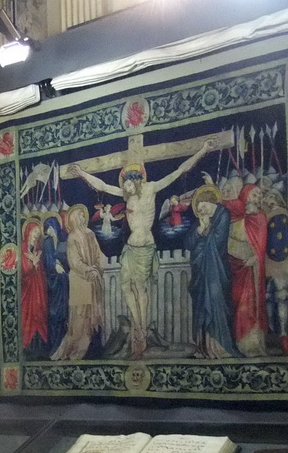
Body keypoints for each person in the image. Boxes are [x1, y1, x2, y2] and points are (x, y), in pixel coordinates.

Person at [65, 139, 214, 357]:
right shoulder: (127, 195)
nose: (125, 190)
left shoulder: (151, 189)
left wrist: (202, 150)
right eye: (123, 187)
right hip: (130, 248)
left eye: (127, 185)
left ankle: (142, 329)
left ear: (136, 181)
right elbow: (103, 186)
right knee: (126, 287)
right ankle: (137, 326)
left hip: (145, 248)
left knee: (141, 289)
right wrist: (81, 174)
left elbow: (178, 171)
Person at [182, 187, 241, 359]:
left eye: (204, 207)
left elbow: (217, 241)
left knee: (216, 301)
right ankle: (204, 348)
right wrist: (200, 229)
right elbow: (188, 243)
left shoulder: (223, 214)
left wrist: (204, 235)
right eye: (199, 209)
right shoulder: (202, 220)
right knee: (201, 306)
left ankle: (221, 348)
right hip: (201, 273)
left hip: (217, 270)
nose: (201, 211)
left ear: (211, 202)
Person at [222, 184, 269, 356]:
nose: (257, 196)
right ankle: (237, 343)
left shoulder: (260, 217)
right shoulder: (235, 216)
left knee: (249, 304)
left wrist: (256, 257)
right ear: (246, 195)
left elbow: (260, 243)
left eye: (259, 194)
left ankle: (252, 346)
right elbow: (223, 204)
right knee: (235, 302)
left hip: (251, 268)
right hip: (235, 265)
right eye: (254, 193)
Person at [52, 205, 103, 360]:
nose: (82, 217)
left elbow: (99, 255)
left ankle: (85, 349)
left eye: (83, 215)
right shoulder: (73, 237)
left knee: (89, 317)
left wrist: (97, 268)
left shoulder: (90, 234)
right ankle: (72, 350)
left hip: (92, 279)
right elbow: (74, 261)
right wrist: (88, 270)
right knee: (78, 316)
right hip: (79, 280)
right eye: (79, 215)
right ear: (73, 219)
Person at [42, 216, 70, 357]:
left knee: (63, 313)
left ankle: (63, 346)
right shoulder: (46, 242)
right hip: (51, 282)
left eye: (52, 227)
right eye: (48, 228)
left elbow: (69, 258)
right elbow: (46, 262)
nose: (50, 231)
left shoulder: (64, 239)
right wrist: (55, 265)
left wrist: (61, 263)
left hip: (63, 281)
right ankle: (53, 347)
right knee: (53, 314)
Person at [20, 219, 48, 359]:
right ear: (28, 232)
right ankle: (28, 347)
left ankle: (40, 348)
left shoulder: (37, 250)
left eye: (38, 233)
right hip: (27, 292)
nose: (36, 235)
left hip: (38, 291)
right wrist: (32, 265)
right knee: (28, 317)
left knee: (39, 314)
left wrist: (37, 265)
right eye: (34, 232)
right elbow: (23, 273)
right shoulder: (22, 250)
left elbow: (41, 272)